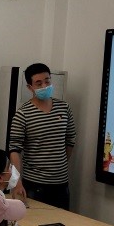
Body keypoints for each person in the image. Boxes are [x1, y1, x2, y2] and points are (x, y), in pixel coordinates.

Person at [9, 62, 77, 209]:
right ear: (30, 87)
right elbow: (14, 150)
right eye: (38, 83)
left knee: (63, 221)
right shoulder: (23, 114)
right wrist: (17, 181)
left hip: (61, 184)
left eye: (47, 81)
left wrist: (59, 163)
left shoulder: (64, 108)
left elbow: (70, 140)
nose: (44, 86)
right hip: (35, 184)